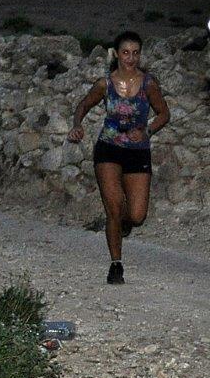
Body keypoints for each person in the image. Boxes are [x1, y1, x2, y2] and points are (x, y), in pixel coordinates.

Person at [67, 31, 170, 285]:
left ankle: (123, 222)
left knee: (137, 215)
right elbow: (83, 105)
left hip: (137, 151)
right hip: (109, 148)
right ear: (116, 54)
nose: (131, 58)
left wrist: (147, 130)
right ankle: (116, 264)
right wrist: (77, 125)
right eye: (126, 53)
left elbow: (164, 114)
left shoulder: (148, 84)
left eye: (135, 53)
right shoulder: (105, 84)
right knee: (113, 208)